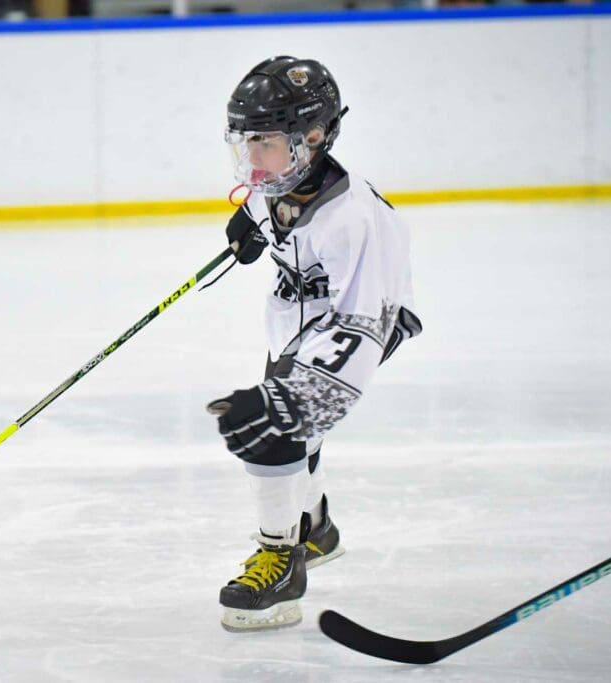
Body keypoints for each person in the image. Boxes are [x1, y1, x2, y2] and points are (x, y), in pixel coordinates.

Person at [207, 56, 422, 632]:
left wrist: (299, 403)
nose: (253, 158)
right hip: (298, 320)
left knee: (280, 427)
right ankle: (317, 529)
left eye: (267, 143)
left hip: (362, 321)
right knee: (293, 425)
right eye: (247, 142)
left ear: (313, 138)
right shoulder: (278, 182)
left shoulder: (354, 221)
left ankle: (282, 559)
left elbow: (365, 324)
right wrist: (252, 229)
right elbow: (274, 217)